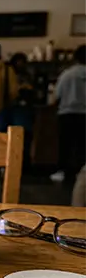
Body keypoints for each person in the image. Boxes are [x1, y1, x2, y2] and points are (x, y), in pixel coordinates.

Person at [52, 44, 86, 183]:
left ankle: (63, 172)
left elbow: (56, 96)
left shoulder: (67, 74)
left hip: (67, 113)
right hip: (85, 114)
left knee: (65, 144)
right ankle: (81, 173)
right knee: (83, 145)